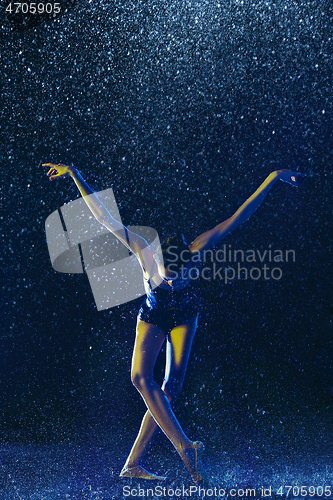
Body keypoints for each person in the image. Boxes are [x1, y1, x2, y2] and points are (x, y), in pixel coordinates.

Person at [43, 163, 303, 483]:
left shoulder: (196, 250)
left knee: (171, 389)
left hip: (184, 316)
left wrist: (273, 178)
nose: (170, 280)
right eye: (167, 275)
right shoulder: (143, 250)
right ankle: (185, 448)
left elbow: (239, 217)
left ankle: (133, 464)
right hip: (153, 315)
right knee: (140, 377)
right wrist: (73, 173)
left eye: (177, 277)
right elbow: (104, 217)